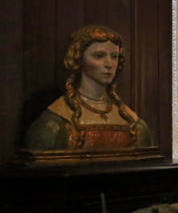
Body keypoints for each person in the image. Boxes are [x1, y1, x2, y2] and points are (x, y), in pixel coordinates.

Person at [24, 25, 152, 150]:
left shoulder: (133, 123)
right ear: (79, 59)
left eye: (114, 56)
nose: (109, 64)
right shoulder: (55, 123)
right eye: (99, 56)